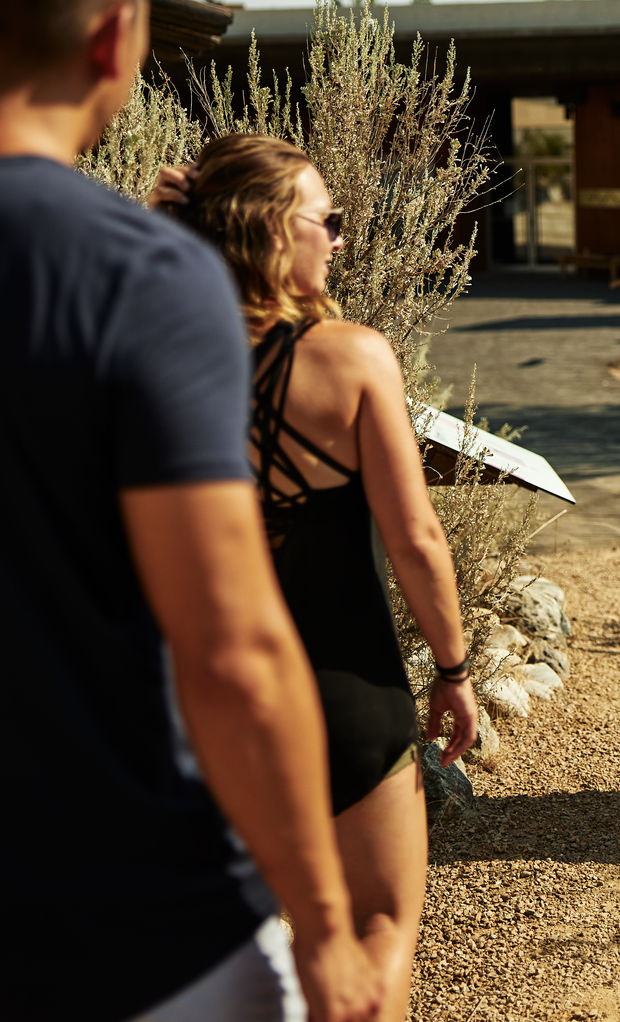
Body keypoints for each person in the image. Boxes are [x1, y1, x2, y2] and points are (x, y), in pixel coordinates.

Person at [0, 0, 380, 1020]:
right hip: (129, 927)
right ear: (117, 35)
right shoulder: (143, 276)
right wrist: (323, 929)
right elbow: (230, 644)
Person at [155, 134, 479, 1021]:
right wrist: (453, 671)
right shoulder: (352, 357)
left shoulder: (154, 355)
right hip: (344, 690)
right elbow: (414, 537)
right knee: (375, 927)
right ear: (269, 230)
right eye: (324, 218)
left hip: (203, 702)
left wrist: (161, 244)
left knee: (223, 956)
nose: (339, 236)